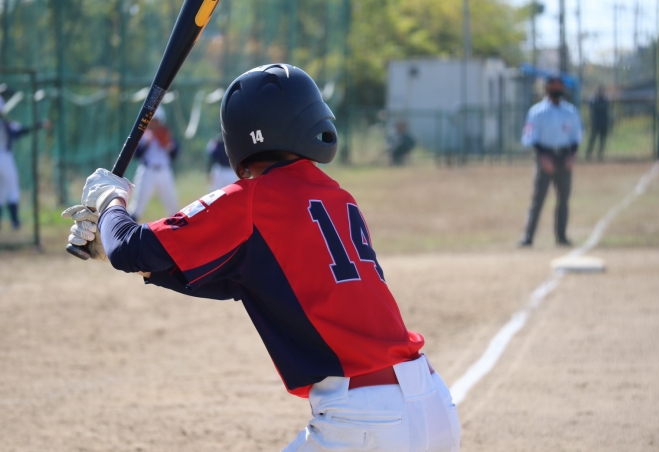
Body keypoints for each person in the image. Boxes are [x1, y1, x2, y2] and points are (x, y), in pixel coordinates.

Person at [62, 64, 461, 451]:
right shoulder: (339, 198)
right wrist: (116, 251)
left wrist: (110, 199)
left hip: (365, 421)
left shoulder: (252, 200)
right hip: (433, 403)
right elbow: (238, 281)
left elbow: (130, 249)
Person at [518, 76, 583, 247]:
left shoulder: (570, 111)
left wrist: (572, 155)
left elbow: (576, 136)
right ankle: (528, 236)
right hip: (545, 156)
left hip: (564, 156)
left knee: (563, 199)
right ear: (547, 89)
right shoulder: (537, 112)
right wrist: (543, 156)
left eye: (559, 88)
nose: (556, 91)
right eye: (553, 87)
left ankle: (561, 236)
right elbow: (530, 136)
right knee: (538, 198)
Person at [0, 95, 50, 230]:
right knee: (12, 189)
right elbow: (22, 131)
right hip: (4, 157)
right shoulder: (6, 125)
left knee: (2, 190)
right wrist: (39, 124)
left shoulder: (7, 124)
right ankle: (15, 222)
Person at [127, 105, 180, 221]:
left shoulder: (165, 134)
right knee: (136, 207)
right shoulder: (144, 135)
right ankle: (127, 230)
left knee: (173, 208)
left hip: (164, 171)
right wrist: (148, 141)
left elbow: (175, 154)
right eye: (151, 121)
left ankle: (177, 230)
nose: (153, 123)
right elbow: (137, 154)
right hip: (147, 171)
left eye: (156, 121)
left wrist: (168, 144)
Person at [585, 85, 610, 161]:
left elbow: (605, 106)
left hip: (603, 122)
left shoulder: (605, 100)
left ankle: (600, 155)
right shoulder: (593, 100)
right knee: (592, 139)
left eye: (601, 91)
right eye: (598, 91)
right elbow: (592, 106)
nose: (599, 93)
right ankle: (588, 154)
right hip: (595, 122)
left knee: (602, 140)